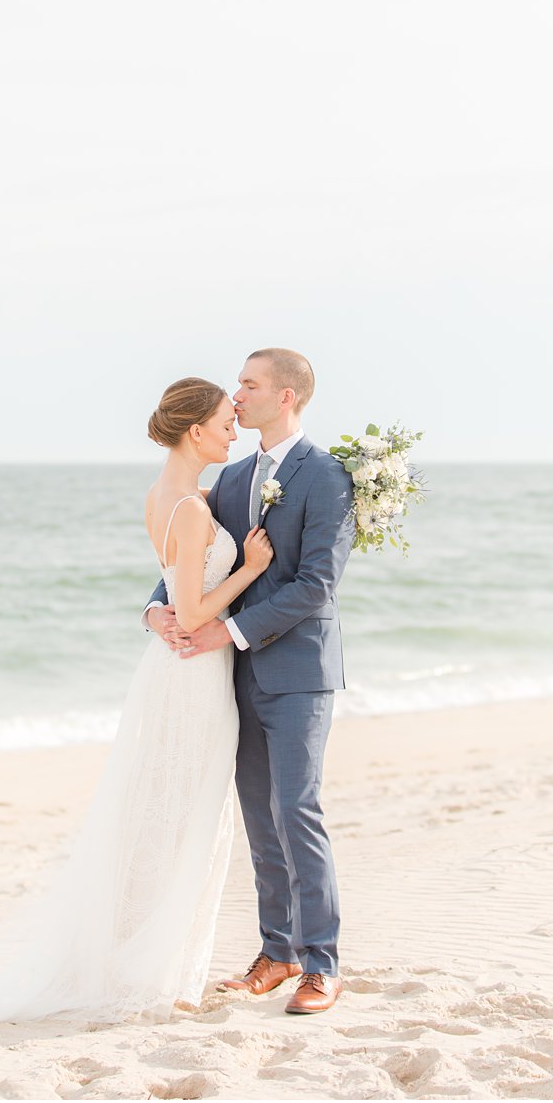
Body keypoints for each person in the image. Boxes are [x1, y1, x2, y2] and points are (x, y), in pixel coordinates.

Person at [0, 378, 272, 1054]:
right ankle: (152, 970)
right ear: (195, 432)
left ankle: (152, 961)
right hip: (190, 677)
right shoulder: (191, 508)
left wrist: (154, 608)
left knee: (163, 815)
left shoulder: (165, 498)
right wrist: (249, 568)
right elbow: (191, 612)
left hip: (173, 674)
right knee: (181, 816)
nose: (233, 432)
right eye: (224, 423)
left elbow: (170, 597)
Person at [147, 348, 353, 1014]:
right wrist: (153, 608)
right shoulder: (234, 478)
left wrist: (229, 631)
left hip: (298, 674)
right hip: (234, 678)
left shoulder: (326, 476)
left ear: (285, 397)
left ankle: (322, 963)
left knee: (298, 809)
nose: (236, 394)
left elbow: (315, 585)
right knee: (260, 817)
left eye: (249, 384)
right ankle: (277, 949)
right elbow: (191, 554)